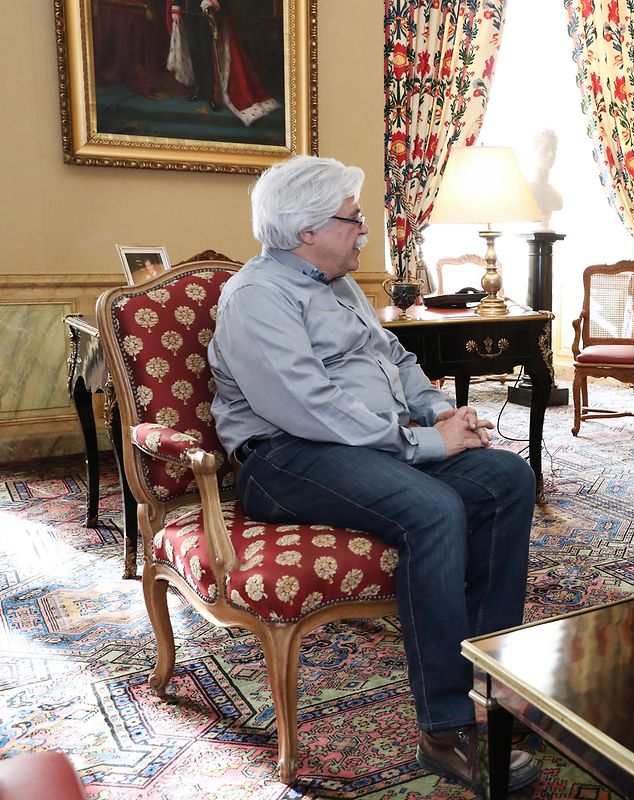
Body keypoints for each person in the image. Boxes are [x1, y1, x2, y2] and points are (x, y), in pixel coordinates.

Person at [207, 156, 539, 792]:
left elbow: (399, 362)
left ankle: (492, 688)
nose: (365, 229)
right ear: (307, 230)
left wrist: (446, 413)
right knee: (433, 509)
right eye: (353, 219)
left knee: (506, 479)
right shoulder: (256, 298)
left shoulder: (344, 286)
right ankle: (445, 729)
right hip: (283, 459)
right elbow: (310, 409)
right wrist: (422, 444)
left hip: (365, 446)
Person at [167, 0, 281, 126]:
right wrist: (175, 8)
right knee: (194, 51)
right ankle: (201, 91)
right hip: (186, 9)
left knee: (206, 53)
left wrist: (213, 2)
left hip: (206, 11)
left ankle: (211, 95)